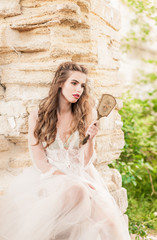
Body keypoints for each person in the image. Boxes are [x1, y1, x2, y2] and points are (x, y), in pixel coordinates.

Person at [0, 61, 131, 240]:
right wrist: (72, 180)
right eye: (74, 83)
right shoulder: (38, 116)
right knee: (77, 190)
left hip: (82, 176)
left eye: (83, 85)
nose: (79, 89)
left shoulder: (85, 114)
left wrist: (91, 139)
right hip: (52, 178)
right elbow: (40, 162)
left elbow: (85, 162)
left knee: (109, 222)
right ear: (60, 83)